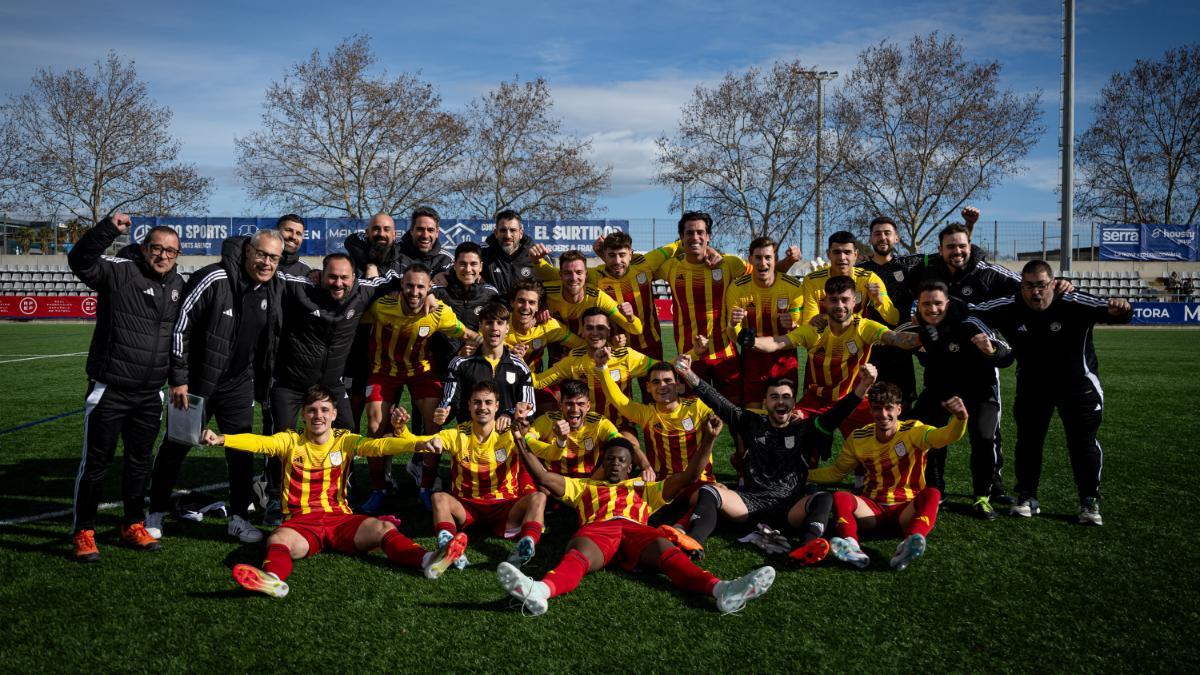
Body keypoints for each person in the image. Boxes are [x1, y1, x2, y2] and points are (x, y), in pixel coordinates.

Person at [200, 386, 469, 598]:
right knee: (278, 539)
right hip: (301, 524)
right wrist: (223, 438)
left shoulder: (345, 440)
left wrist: (420, 444)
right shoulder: (290, 441)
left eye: (324, 410)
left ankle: (428, 560)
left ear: (333, 414)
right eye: (312, 410)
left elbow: (380, 446)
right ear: (304, 414)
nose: (318, 416)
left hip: (340, 520)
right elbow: (259, 442)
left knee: (382, 529)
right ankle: (273, 580)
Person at [497, 427, 776, 616]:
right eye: (609, 460)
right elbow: (544, 477)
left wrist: (710, 439)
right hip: (599, 527)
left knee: (668, 552)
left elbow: (691, 476)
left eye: (620, 460)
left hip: (636, 529)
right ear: (603, 463)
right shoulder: (585, 487)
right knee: (578, 553)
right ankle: (540, 591)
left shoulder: (645, 488)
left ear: (630, 466)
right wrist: (520, 441)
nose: (614, 464)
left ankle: (723, 590)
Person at [147, 229, 285, 544]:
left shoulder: (270, 287)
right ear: (249, 251)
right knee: (176, 445)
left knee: (240, 450)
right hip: (197, 384)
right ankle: (154, 512)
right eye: (262, 254)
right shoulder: (214, 277)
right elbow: (181, 327)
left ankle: (238, 518)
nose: (266, 262)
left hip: (238, 385)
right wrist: (179, 379)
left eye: (273, 258)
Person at [970, 260, 1132, 525]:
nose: (1036, 292)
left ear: (1053, 284)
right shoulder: (1008, 306)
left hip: (1079, 388)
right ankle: (1026, 496)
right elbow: (971, 313)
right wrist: (984, 336)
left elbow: (1116, 311)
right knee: (1029, 443)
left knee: (1083, 445)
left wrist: (1122, 307)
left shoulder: (1074, 301)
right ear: (1021, 286)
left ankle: (1089, 501)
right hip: (1033, 387)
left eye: (1042, 285)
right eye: (1029, 285)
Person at [673, 357, 878, 565]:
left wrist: (864, 385)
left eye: (786, 397)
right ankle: (693, 541)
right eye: (774, 397)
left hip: (791, 508)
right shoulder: (750, 422)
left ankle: (807, 546)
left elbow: (837, 414)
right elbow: (718, 401)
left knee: (823, 498)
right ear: (765, 402)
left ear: (793, 402)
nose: (781, 401)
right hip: (751, 504)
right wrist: (688, 374)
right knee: (710, 492)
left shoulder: (804, 428)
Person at [67, 212, 185, 562]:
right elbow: (80, 259)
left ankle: (133, 522)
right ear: (144, 247)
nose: (163, 256)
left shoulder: (178, 284)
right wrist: (107, 229)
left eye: (170, 251)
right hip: (111, 388)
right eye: (157, 248)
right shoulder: (118, 271)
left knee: (139, 463)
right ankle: (84, 531)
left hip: (150, 392)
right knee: (96, 464)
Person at [260, 253, 402, 525]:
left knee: (348, 431)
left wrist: (431, 292)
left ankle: (338, 492)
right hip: (291, 383)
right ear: (321, 276)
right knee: (282, 441)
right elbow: (272, 269)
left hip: (331, 385)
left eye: (344, 278)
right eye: (332, 277)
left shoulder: (363, 292)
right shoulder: (302, 288)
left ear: (354, 278)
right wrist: (306, 276)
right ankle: (277, 500)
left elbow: (399, 279)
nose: (338, 283)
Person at [751, 275, 921, 458]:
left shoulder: (864, 327)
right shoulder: (814, 329)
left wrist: (921, 338)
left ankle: (864, 477)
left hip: (854, 399)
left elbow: (895, 338)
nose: (839, 305)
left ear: (854, 300)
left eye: (845, 299)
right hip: (816, 400)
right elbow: (778, 342)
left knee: (883, 429)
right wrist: (749, 340)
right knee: (792, 430)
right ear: (825, 302)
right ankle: (807, 473)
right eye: (833, 300)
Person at [809, 383, 968, 571]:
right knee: (841, 497)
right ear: (870, 410)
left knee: (932, 493)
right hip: (873, 509)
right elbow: (837, 473)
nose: (883, 414)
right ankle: (852, 546)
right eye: (877, 408)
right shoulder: (859, 437)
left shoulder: (913, 430)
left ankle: (909, 543)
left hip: (905, 510)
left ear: (899, 409)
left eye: (889, 408)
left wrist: (959, 419)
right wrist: (805, 475)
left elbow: (945, 436)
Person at [360, 264, 478, 514]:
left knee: (434, 424)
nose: (415, 292)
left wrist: (500, 340)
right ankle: (379, 489)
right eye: (410, 286)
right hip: (384, 371)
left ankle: (426, 487)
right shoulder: (381, 306)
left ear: (429, 289)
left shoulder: (438, 312)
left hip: (421, 372)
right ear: (401, 286)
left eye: (421, 287)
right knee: (374, 427)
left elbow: (466, 333)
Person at [392, 382, 547, 568]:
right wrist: (401, 429)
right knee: (438, 498)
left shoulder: (510, 434)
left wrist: (525, 435)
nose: (482, 407)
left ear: (497, 406)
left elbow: (541, 450)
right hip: (467, 507)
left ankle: (525, 546)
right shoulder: (458, 434)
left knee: (538, 497)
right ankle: (449, 548)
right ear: (469, 405)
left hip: (505, 507)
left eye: (488, 402)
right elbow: (420, 441)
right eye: (477, 402)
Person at [898, 281, 1013, 518]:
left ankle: (982, 496)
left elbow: (1007, 355)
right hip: (940, 390)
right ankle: (936, 491)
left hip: (979, 390)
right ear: (918, 306)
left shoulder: (970, 322)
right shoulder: (918, 328)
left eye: (938, 303)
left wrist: (992, 349)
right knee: (927, 433)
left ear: (947, 303)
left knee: (983, 438)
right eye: (926, 304)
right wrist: (918, 338)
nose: (932, 309)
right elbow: (893, 338)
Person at [654, 212, 750, 401]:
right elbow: (636, 267)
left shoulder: (730, 263)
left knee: (735, 416)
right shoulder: (670, 267)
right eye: (689, 233)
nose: (695, 237)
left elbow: (767, 272)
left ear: (708, 236)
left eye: (700, 232)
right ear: (681, 238)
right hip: (690, 356)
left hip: (726, 354)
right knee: (693, 418)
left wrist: (791, 259)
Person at [724, 235, 805, 418]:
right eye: (758, 257)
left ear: (775, 260)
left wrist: (793, 324)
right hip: (753, 359)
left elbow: (802, 331)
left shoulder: (793, 287)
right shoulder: (737, 288)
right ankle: (748, 448)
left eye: (768, 257)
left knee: (783, 414)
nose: (763, 263)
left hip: (785, 359)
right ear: (750, 259)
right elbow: (732, 332)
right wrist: (734, 325)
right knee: (752, 415)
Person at [436, 302, 535, 428]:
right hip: (470, 437)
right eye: (489, 323)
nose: (494, 327)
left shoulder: (520, 367)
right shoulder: (460, 364)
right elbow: (450, 400)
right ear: (481, 326)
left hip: (504, 437)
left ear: (507, 328)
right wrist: (444, 411)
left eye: (499, 323)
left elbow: (530, 407)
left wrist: (510, 414)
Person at [856, 216, 919, 409]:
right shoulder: (859, 271)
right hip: (868, 348)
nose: (882, 238)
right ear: (870, 239)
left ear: (897, 239)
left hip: (900, 347)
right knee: (867, 406)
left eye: (887, 233)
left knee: (902, 405)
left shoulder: (908, 268)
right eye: (877, 234)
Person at [589, 231, 679, 360]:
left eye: (622, 255)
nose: (617, 261)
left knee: (656, 380)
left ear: (630, 254)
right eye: (611, 255)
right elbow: (564, 274)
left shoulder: (645, 264)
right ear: (603, 255)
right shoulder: (595, 275)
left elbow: (676, 245)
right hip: (615, 347)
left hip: (650, 343)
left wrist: (709, 250)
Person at [522, 379, 626, 478]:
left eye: (581, 404)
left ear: (588, 406)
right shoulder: (548, 420)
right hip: (555, 481)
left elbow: (622, 445)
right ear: (560, 405)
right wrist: (558, 444)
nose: (575, 409)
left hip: (590, 480)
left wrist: (643, 466)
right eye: (569, 404)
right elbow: (526, 440)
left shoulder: (598, 422)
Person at [798, 231, 898, 326]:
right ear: (828, 254)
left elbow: (894, 319)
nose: (842, 257)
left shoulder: (868, 278)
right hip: (825, 338)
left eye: (847, 252)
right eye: (837, 252)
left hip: (858, 338)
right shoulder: (812, 281)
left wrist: (879, 301)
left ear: (856, 254)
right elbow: (809, 322)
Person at [542, 249, 644, 340]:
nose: (573, 278)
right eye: (568, 273)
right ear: (560, 275)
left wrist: (630, 317)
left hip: (588, 355)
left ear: (586, 275)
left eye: (579, 272)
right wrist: (539, 306)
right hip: (558, 357)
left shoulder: (597, 296)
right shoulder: (546, 291)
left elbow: (637, 330)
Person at [481, 209, 555, 299]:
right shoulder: (483, 254)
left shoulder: (537, 256)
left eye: (513, 230)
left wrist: (543, 306)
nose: (508, 235)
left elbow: (552, 286)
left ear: (521, 233)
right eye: (503, 230)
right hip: (496, 311)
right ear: (496, 233)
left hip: (526, 312)